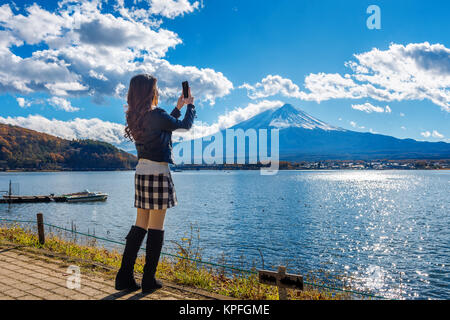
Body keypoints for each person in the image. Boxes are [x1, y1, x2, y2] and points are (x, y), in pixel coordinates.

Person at [115, 74, 196, 293]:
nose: (157, 91)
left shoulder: (135, 116)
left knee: (140, 223)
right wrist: (191, 106)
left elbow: (164, 126)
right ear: (151, 91)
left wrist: (178, 107)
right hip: (158, 173)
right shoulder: (156, 115)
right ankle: (148, 280)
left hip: (141, 172)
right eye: (156, 88)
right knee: (156, 228)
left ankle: (124, 277)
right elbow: (184, 126)